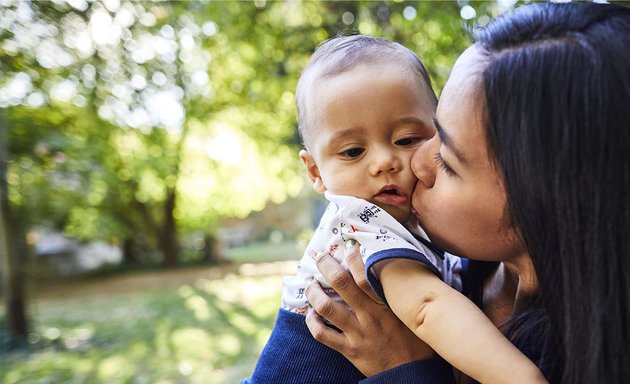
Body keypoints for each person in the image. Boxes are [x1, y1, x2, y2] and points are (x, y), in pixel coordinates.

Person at [304, 2, 630, 383]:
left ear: (546, 198)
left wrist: (405, 371)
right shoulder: (462, 266)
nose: (416, 163)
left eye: (447, 158)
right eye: (436, 130)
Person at [244, 34, 545, 384]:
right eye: (353, 152)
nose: (385, 161)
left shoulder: (414, 230)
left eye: (405, 140)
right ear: (315, 172)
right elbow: (427, 309)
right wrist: (522, 377)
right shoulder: (361, 223)